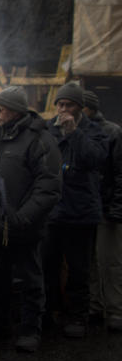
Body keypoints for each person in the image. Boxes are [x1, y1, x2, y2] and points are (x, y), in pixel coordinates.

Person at [0, 87, 61, 353]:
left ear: (15, 111)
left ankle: (31, 330)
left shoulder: (39, 139)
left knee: (30, 279)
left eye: (0, 109)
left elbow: (48, 185)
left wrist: (24, 217)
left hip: (25, 225)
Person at [43, 82, 108, 338]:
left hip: (81, 211)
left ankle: (78, 316)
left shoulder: (94, 130)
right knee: (48, 266)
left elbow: (95, 159)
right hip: (52, 210)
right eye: (60, 104)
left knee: (79, 270)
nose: (63, 109)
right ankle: (48, 313)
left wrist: (74, 133)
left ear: (80, 108)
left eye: (68, 105)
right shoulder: (48, 129)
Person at [82, 90, 122, 331]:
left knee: (111, 262)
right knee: (91, 261)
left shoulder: (112, 132)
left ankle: (116, 309)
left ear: (88, 109)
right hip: (86, 207)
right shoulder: (78, 132)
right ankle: (96, 307)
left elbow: (119, 174)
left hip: (106, 207)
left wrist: (117, 207)